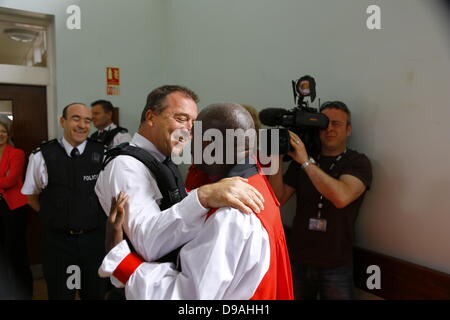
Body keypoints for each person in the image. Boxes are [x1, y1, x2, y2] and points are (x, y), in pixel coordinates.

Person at [98, 102, 294, 300]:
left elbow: (188, 298)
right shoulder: (255, 181)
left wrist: (122, 261)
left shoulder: (230, 214)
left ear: (210, 144)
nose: (189, 142)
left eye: (196, 136)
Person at [268, 101, 372, 300]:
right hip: (298, 259)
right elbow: (277, 199)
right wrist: (277, 159)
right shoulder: (301, 161)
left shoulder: (357, 162)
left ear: (349, 129)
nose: (329, 129)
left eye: (337, 123)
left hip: (336, 265)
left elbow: (341, 197)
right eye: (324, 123)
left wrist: (306, 162)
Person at [21, 103, 107, 300]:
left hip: (93, 242)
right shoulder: (42, 155)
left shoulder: (102, 154)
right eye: (76, 118)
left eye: (88, 121)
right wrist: (54, 216)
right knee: (61, 295)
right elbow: (30, 196)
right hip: (58, 244)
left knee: (95, 294)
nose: (82, 125)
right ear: (63, 121)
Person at [0, 121, 33, 299]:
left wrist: (4, 180)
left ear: (9, 133)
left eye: (3, 131)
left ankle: (24, 293)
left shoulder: (17, 153)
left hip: (14, 208)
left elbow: (11, 181)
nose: (0, 134)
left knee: (16, 253)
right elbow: (4, 181)